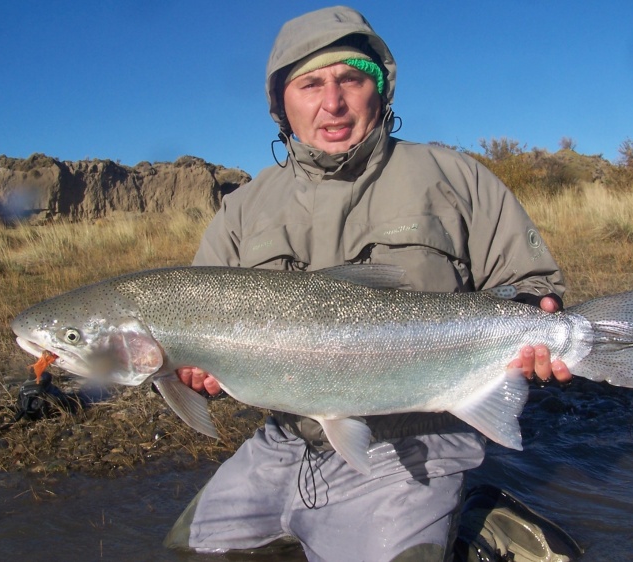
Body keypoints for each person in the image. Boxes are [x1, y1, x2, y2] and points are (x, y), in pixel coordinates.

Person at [167, 6, 571, 561]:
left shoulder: (454, 177)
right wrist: (190, 371)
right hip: (285, 441)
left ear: (380, 90)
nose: (332, 103)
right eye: (309, 84)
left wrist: (540, 317)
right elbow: (191, 329)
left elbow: (528, 283)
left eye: (351, 80)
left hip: (418, 441)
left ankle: (472, 530)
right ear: (281, 103)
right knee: (186, 553)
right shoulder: (243, 209)